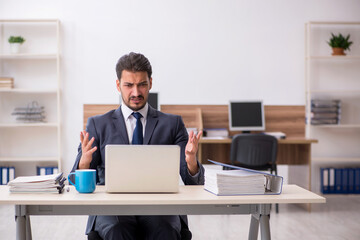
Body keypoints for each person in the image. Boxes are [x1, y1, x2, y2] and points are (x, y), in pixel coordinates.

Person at [71, 52, 205, 240]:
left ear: (150, 82)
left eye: (142, 84)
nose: (136, 92)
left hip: (160, 207)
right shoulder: (98, 124)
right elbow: (77, 181)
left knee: (165, 230)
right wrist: (84, 163)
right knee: (117, 230)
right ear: (118, 85)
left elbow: (194, 183)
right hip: (112, 208)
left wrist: (191, 162)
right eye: (129, 85)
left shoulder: (172, 124)